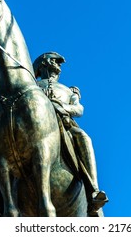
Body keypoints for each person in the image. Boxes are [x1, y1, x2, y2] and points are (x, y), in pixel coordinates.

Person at [33, 52, 108, 216]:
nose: (58, 65)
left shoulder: (68, 90)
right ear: (42, 64)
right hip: (36, 126)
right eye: (54, 61)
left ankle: (93, 191)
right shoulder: (32, 87)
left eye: (58, 63)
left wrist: (62, 107)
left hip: (64, 124)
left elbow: (79, 109)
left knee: (84, 138)